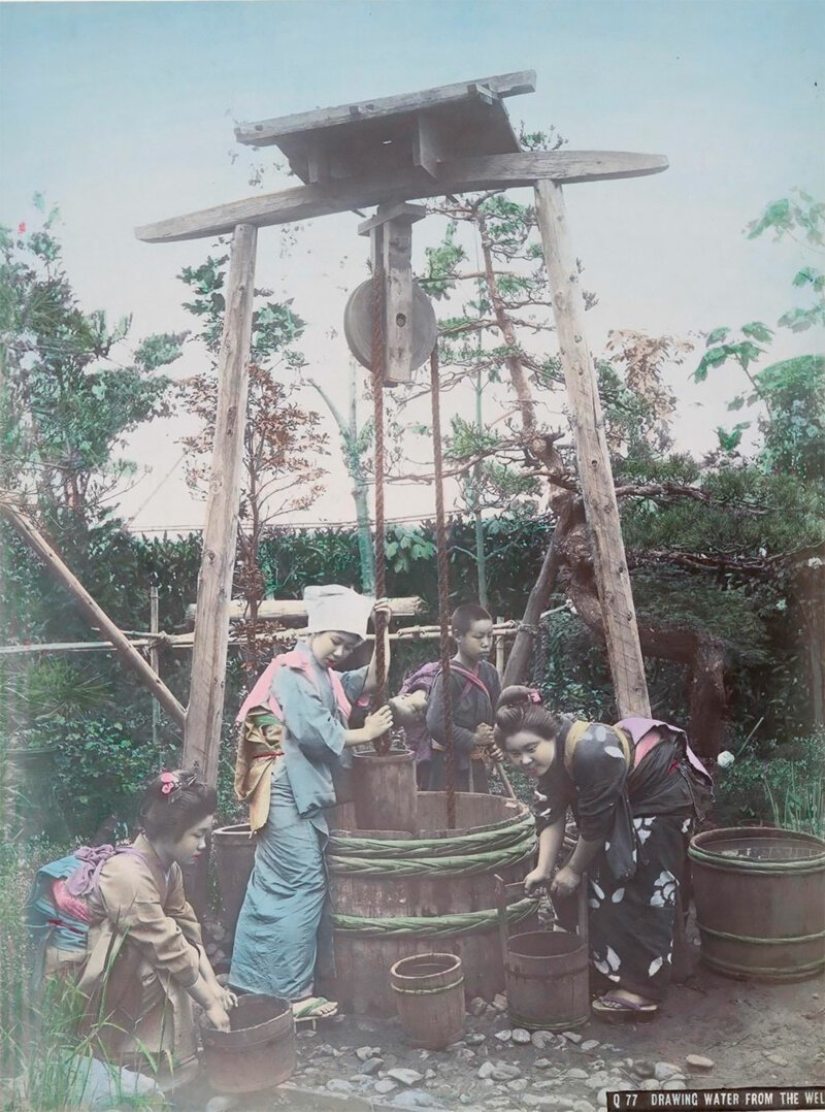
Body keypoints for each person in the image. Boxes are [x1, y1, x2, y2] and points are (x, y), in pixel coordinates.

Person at [493, 687, 713, 1019]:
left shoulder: (591, 752)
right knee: (599, 877)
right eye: (514, 754)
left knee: (640, 883)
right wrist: (544, 868)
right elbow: (550, 814)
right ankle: (626, 967)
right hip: (626, 800)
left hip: (663, 795)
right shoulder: (549, 760)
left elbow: (596, 825)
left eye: (530, 749)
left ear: (548, 735)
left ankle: (643, 990)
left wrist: (572, 870)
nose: (524, 760)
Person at [229, 585, 393, 1022]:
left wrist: (383, 632)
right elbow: (317, 736)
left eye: (349, 645)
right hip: (281, 787)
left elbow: (374, 680)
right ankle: (291, 993)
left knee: (273, 883)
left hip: (291, 788)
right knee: (301, 883)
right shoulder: (293, 670)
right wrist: (369, 732)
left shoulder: (323, 674)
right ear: (316, 629)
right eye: (336, 640)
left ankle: (252, 980)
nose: (340, 651)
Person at [28, 770, 234, 1087]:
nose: (204, 844)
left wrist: (213, 984)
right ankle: (115, 1053)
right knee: (158, 962)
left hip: (116, 961)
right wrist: (209, 1004)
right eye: (197, 835)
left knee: (176, 953)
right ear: (171, 830)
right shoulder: (128, 874)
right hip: (78, 975)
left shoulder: (169, 868)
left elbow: (187, 929)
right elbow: (168, 946)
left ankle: (159, 1058)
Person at [425, 603, 501, 793]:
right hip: (447, 766)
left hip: (476, 764)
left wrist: (497, 742)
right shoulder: (448, 677)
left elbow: (498, 714)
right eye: (478, 637)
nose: (486, 643)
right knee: (450, 816)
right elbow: (436, 723)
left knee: (480, 816)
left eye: (490, 636)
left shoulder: (489, 673)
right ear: (458, 636)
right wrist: (473, 738)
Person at [389, 661, 439, 789]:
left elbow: (435, 667)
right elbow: (413, 744)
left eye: (414, 710)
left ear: (405, 695)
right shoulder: (413, 726)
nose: (419, 716)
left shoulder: (427, 677)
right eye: (415, 719)